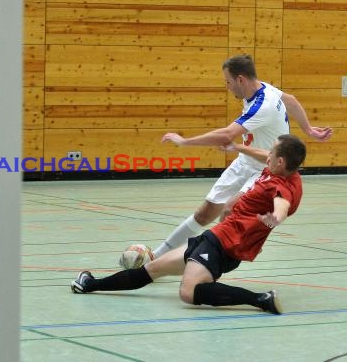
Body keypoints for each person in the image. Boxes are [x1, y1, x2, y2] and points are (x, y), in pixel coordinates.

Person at [73, 134, 306, 315]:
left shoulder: (281, 187)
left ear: (281, 161)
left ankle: (260, 299)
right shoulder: (282, 169)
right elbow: (263, 154)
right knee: (153, 269)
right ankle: (89, 284)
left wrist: (274, 219)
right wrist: (238, 148)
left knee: (188, 292)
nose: (267, 156)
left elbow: (281, 206)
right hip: (220, 237)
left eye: (271, 153)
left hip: (222, 244)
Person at [147, 54, 331, 261]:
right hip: (245, 160)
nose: (227, 86)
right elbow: (291, 100)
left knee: (229, 211)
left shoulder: (264, 105)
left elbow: (226, 135)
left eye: (228, 81)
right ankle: (156, 256)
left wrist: (184, 141)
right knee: (205, 213)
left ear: (240, 79)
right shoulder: (262, 88)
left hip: (265, 169)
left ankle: (208, 261)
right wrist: (308, 129)